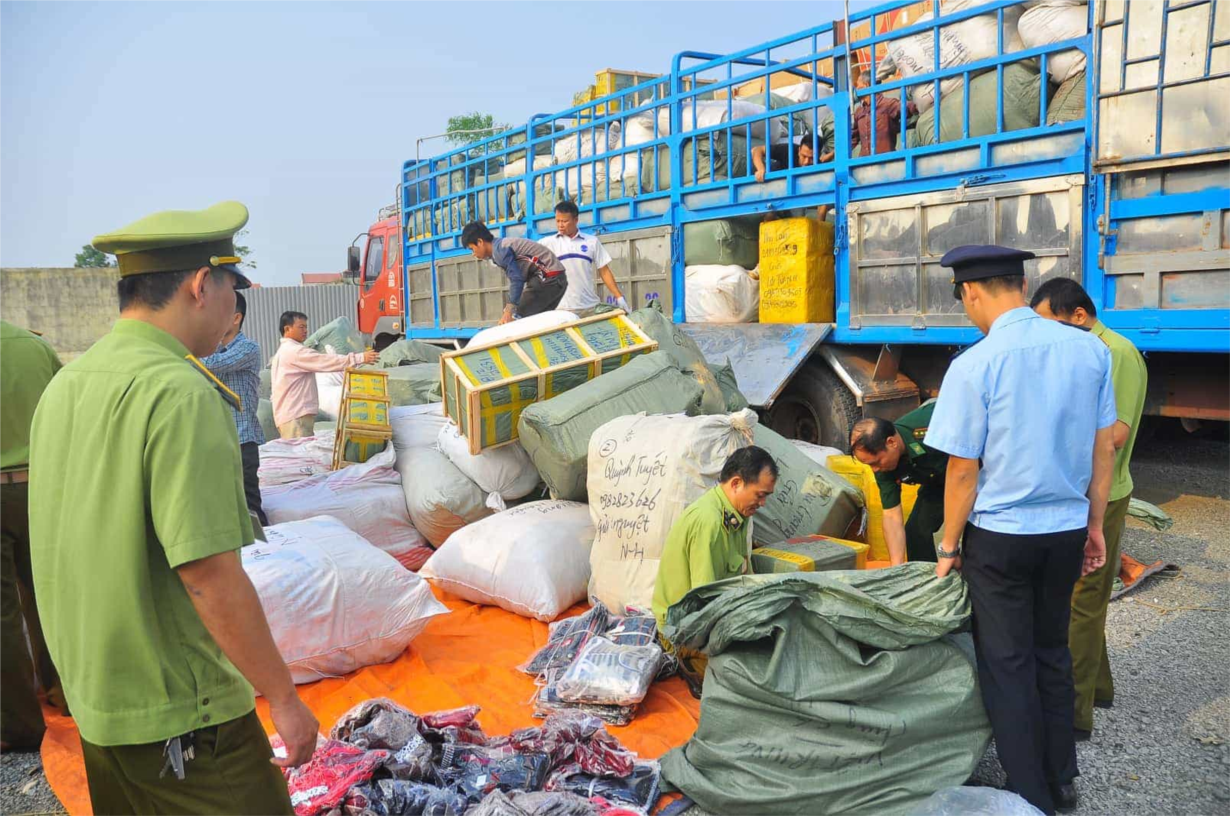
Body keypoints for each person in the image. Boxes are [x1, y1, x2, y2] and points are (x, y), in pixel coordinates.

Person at [28, 201, 318, 814]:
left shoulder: (67, 384)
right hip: (185, 717)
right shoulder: (181, 392)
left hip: (100, 703)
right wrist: (284, 699)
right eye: (231, 291)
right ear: (199, 285)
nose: (233, 310)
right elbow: (208, 576)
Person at [924, 245, 1117, 816]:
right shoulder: (1088, 351)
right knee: (1051, 649)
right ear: (1022, 282)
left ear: (972, 292)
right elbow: (1102, 446)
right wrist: (1096, 525)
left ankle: (1030, 793)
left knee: (1007, 663)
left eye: (964, 301)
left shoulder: (975, 363)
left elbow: (962, 469)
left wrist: (948, 546)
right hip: (1064, 530)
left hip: (1002, 537)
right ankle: (1062, 778)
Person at [1031, 277, 1147, 740]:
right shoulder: (1081, 350)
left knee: (1081, 604)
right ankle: (1098, 688)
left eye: (1050, 324)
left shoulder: (1115, 353)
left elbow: (1114, 435)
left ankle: (1072, 715)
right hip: (1077, 491)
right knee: (1081, 596)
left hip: (1103, 493)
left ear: (1078, 315)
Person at [652, 446, 778, 693]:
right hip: (684, 633)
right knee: (756, 674)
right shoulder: (710, 523)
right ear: (736, 483)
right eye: (760, 495)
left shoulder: (737, 516)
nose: (762, 503)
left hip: (714, 618)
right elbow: (705, 610)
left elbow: (742, 579)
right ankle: (686, 663)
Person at [0, 320, 63, 753]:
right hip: (42, 485)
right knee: (52, 595)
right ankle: (71, 694)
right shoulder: (32, 346)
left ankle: (21, 725)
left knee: (3, 617)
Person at [848, 402, 947, 565]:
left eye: (876, 462)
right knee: (916, 532)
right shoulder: (883, 467)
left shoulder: (934, 429)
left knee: (977, 534)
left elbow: (967, 470)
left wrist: (951, 545)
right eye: (869, 465)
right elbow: (891, 515)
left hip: (978, 470)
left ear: (891, 442)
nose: (874, 470)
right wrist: (897, 569)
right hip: (938, 480)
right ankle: (925, 583)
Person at [202, 292, 267, 525]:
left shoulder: (248, 348)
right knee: (227, 507)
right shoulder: (214, 350)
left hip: (242, 441)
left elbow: (210, 366)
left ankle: (269, 553)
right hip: (220, 441)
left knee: (249, 507)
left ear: (236, 318)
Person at [270, 311, 376, 439]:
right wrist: (358, 358)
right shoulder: (294, 352)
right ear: (287, 328)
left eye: (306, 327)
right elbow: (324, 362)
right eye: (301, 327)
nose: (305, 331)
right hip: (296, 417)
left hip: (288, 416)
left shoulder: (282, 352)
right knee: (301, 455)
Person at [461, 221, 568, 325]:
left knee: (516, 315)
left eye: (472, 249)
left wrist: (508, 311)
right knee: (538, 322)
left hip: (549, 277)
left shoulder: (500, 251)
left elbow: (517, 280)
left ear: (480, 242)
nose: (473, 254)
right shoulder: (500, 247)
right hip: (556, 279)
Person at [538, 201, 630, 315]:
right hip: (561, 310)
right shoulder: (547, 243)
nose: (560, 225)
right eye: (557, 221)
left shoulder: (591, 242)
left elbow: (604, 271)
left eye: (565, 221)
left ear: (576, 220)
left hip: (589, 307)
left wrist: (619, 297)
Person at [851, 70, 916, 157]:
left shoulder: (887, 104)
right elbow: (852, 139)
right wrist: (832, 155)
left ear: (866, 85)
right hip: (864, 164)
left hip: (885, 161)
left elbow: (909, 107)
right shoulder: (859, 111)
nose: (856, 89)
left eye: (858, 85)